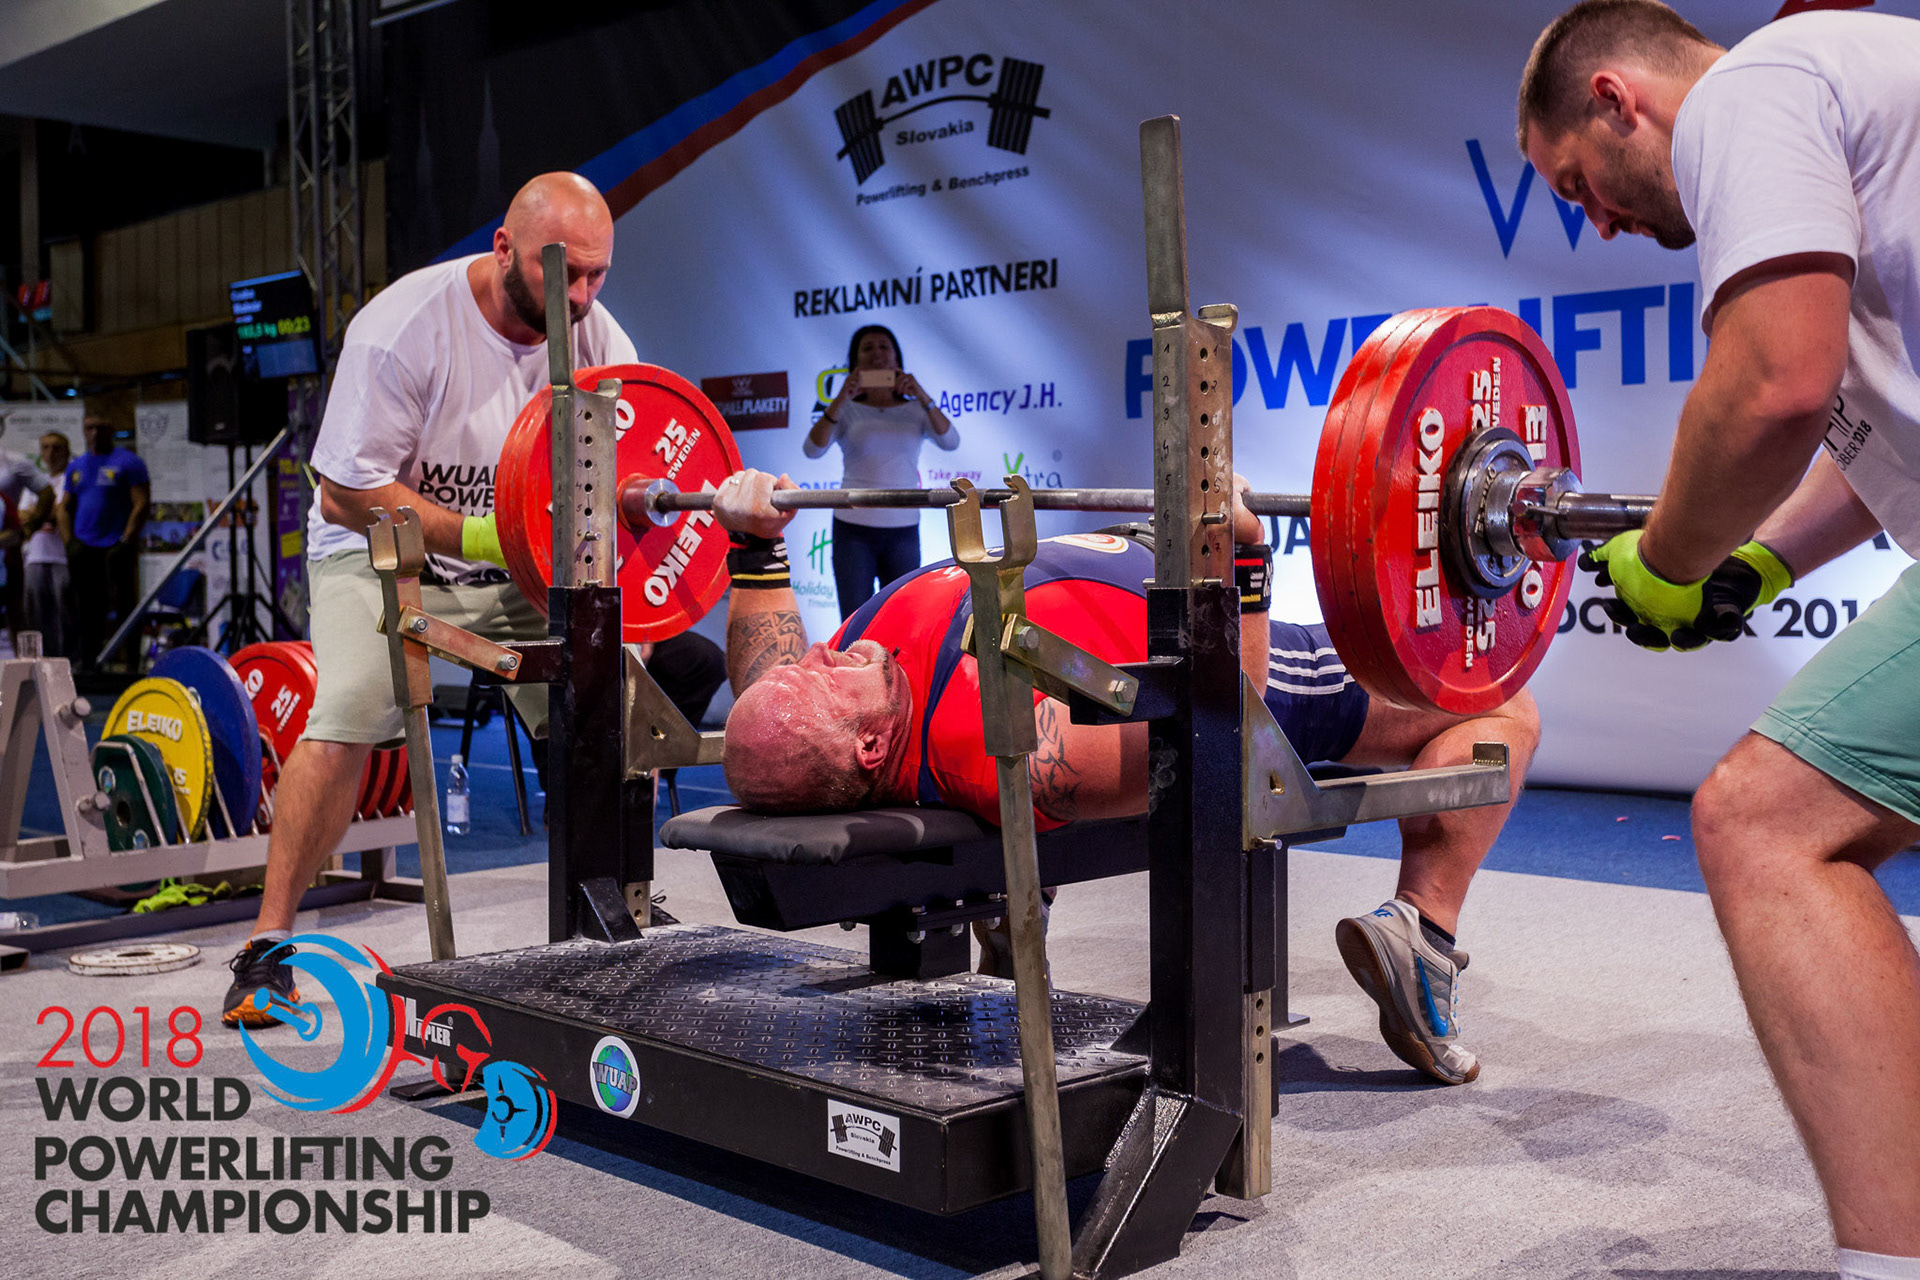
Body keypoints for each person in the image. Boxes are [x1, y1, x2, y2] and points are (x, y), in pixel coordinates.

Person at [712, 467, 1540, 1085]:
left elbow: (764, 689)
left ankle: (1013, 909)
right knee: (1501, 701)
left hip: (1168, 582)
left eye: (808, 663)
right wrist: (1241, 565)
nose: (821, 654)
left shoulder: (857, 687)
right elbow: (1217, 739)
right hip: (1217, 651)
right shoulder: (1011, 744)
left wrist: (754, 544)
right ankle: (1422, 933)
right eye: (822, 678)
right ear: (868, 748)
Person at [1518, 3, 1920, 1272]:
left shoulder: (1755, 90)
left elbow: (1773, 385)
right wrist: (1755, 564)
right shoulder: (1847, 112)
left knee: (1765, 820)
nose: (1597, 221)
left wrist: (1673, 557)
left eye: (1577, 185)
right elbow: (1880, 438)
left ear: (1615, 99)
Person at [221, 172, 644, 1028]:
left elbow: (620, 480)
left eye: (597, 274)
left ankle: (615, 906)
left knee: (618, 706)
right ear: (503, 249)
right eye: (564, 273)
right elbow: (345, 492)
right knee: (350, 709)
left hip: (517, 567)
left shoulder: (600, 339)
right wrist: (483, 535)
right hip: (381, 553)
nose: (580, 296)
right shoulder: (404, 328)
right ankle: (267, 947)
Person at [804, 324, 959, 618]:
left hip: (903, 529)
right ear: (855, 361)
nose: (877, 354)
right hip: (853, 528)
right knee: (854, 621)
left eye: (884, 347)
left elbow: (951, 441)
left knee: (901, 619)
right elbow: (812, 450)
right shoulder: (846, 409)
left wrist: (921, 395)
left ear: (896, 358)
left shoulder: (916, 410)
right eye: (868, 348)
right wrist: (841, 398)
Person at [61, 415, 149, 671]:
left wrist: (127, 539)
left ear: (111, 430)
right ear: (83, 431)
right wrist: (69, 542)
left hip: (116, 545)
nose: (95, 433)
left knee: (125, 605)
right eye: (90, 428)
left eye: (100, 428)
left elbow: (141, 503)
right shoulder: (76, 466)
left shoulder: (129, 462)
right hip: (85, 546)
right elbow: (63, 507)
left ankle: (131, 664)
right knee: (89, 608)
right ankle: (90, 663)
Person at [19, 431, 71, 656]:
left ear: (67, 452)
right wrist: (47, 513)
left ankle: (68, 660)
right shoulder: (36, 482)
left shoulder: (70, 479)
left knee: (65, 612)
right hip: (35, 555)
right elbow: (22, 515)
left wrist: (41, 513)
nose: (51, 453)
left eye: (56, 448)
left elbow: (61, 512)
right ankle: (44, 660)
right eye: (46, 447)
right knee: (37, 614)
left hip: (62, 556)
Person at [0, 429, 53, 650]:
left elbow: (47, 493)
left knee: (16, 612)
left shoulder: (14, 463)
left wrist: (29, 528)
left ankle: (24, 665)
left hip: (7, 551)